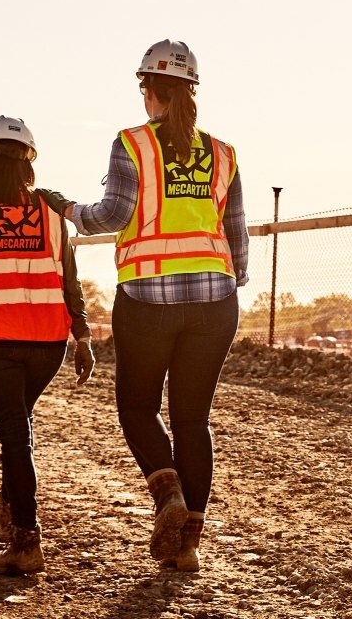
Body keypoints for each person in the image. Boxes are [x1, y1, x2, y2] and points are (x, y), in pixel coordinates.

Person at [39, 40, 247, 572]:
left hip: (148, 298)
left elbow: (113, 213)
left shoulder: (132, 144)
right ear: (192, 91)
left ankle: (168, 498)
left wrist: (65, 208)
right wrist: (229, 281)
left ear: (148, 90)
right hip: (215, 301)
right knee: (193, 420)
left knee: (137, 407)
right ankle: (189, 548)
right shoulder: (223, 153)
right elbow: (235, 231)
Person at [0, 116, 96, 576]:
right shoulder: (50, 212)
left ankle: (27, 539)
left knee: (15, 436)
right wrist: (82, 336)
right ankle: (11, 507)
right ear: (29, 162)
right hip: (49, 342)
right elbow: (70, 277)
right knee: (18, 427)